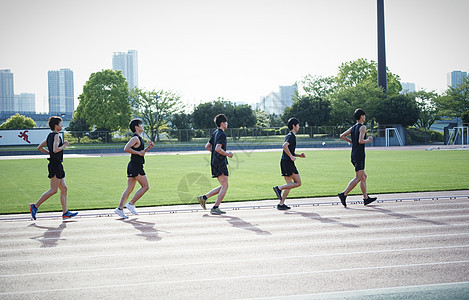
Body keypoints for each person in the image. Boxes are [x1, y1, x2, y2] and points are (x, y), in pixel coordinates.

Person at [29, 116, 78, 220]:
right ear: (56, 126)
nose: (62, 125)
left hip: (57, 164)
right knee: (53, 190)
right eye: (60, 124)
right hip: (55, 165)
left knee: (64, 188)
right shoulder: (56, 136)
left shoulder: (49, 136)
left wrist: (50, 153)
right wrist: (64, 145)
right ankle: (35, 206)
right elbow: (55, 150)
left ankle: (65, 212)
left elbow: (39, 147)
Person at [114, 118, 154, 219]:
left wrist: (148, 148)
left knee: (129, 189)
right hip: (136, 166)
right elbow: (126, 148)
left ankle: (119, 209)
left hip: (133, 165)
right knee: (145, 186)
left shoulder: (139, 138)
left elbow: (141, 153)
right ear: (136, 127)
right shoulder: (135, 138)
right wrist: (138, 152)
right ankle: (131, 204)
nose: (143, 126)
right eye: (141, 125)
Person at [338, 108, 377, 207]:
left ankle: (366, 199)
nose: (365, 117)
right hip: (359, 155)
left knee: (363, 177)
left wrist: (352, 142)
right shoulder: (362, 127)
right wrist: (368, 140)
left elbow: (342, 135)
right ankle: (344, 194)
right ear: (361, 116)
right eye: (364, 115)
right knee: (358, 177)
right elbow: (360, 141)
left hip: (353, 154)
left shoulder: (353, 128)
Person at [197, 114, 233, 215]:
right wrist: (227, 154)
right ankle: (215, 207)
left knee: (223, 186)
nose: (227, 124)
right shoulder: (221, 134)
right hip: (220, 163)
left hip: (216, 162)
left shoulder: (215, 133)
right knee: (225, 187)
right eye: (226, 122)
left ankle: (203, 198)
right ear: (222, 123)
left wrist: (216, 155)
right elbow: (217, 148)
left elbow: (207, 146)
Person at [273, 117, 306, 210]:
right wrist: (291, 157)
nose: (299, 127)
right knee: (298, 183)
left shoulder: (290, 136)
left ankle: (281, 204)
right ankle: (278, 188)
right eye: (298, 125)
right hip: (287, 162)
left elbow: (289, 151)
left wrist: (299, 155)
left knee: (289, 184)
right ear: (294, 126)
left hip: (284, 161)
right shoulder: (291, 136)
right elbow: (284, 146)